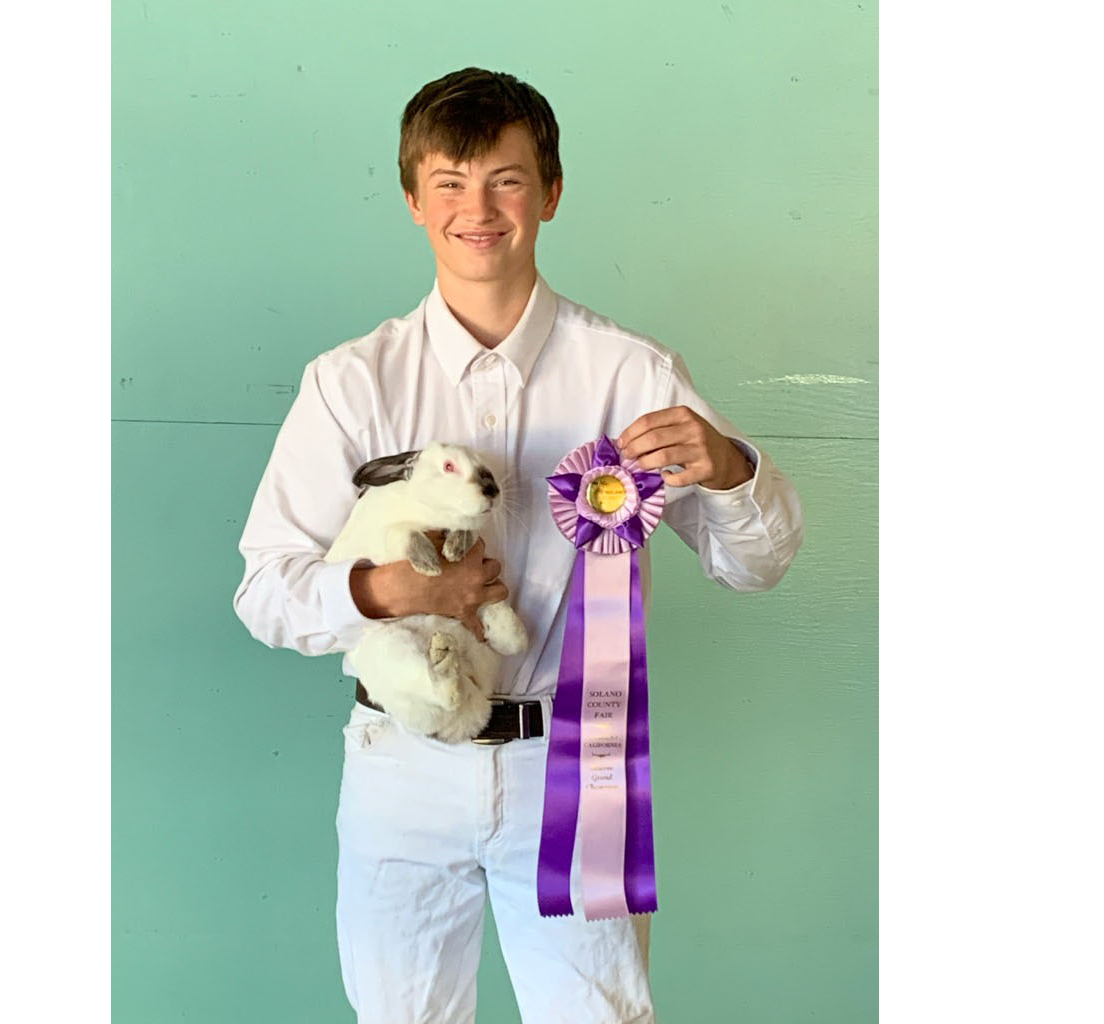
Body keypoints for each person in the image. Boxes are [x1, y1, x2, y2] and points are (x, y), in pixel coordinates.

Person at [233, 67, 804, 1024]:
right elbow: (266, 590)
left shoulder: (631, 373)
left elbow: (756, 564)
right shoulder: (350, 384)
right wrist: (397, 590)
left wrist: (731, 468)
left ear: (551, 192)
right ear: (413, 199)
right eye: (450, 183)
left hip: (573, 771)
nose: (479, 209)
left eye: (506, 180)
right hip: (399, 761)